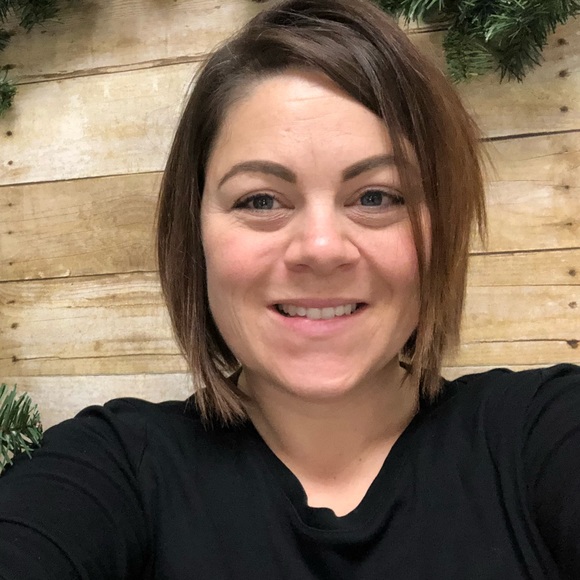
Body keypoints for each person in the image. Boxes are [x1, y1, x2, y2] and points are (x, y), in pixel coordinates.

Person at [0, 0, 578, 578]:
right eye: (260, 200)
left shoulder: (542, 433)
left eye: (377, 196)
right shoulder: (113, 467)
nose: (321, 249)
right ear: (195, 235)